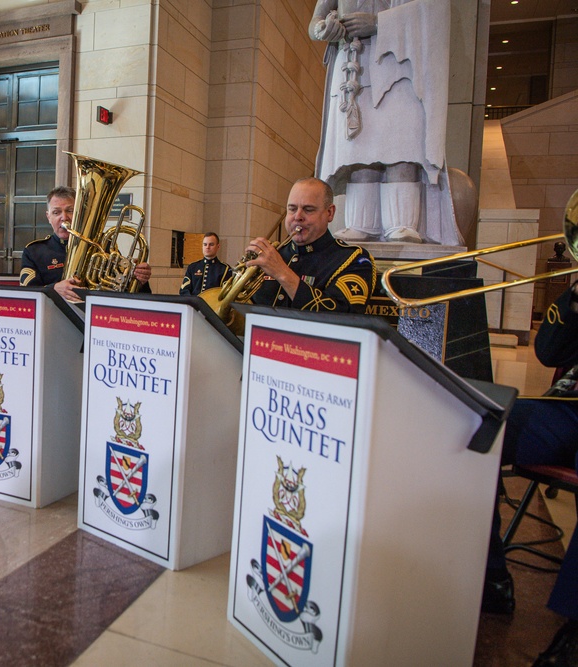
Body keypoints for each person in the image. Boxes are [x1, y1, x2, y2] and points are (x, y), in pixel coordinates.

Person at [309, 0, 461, 246]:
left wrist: (380, 22)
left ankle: (402, 222)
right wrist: (323, 28)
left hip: (398, 60)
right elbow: (316, 20)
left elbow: (434, 7)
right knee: (357, 151)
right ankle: (361, 224)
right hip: (353, 64)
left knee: (401, 146)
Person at [483, 281, 578, 666]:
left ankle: (574, 626)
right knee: (474, 426)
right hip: (567, 407)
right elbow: (547, 351)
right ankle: (490, 577)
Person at [247, 177, 375, 314]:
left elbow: (341, 315)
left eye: (308, 209)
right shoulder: (273, 254)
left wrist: (282, 272)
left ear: (329, 213)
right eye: (292, 209)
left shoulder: (354, 260)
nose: (298, 217)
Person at [19, 185, 151, 302]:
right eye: (56, 212)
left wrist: (138, 279)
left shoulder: (102, 246)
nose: (64, 217)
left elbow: (123, 289)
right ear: (49, 217)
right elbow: (26, 296)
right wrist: (53, 289)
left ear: (79, 214)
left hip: (96, 320)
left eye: (70, 210)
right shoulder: (34, 251)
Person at [179, 232, 232, 296]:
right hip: (193, 304)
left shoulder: (225, 269)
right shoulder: (192, 267)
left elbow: (226, 294)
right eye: (205, 244)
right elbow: (184, 290)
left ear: (218, 247)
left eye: (211, 244)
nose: (207, 247)